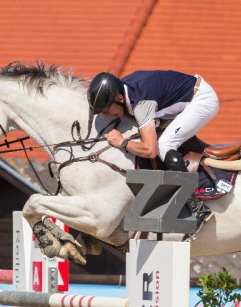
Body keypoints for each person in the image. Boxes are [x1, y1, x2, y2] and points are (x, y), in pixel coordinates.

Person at [87, 70, 219, 232]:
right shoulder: (122, 90)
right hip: (184, 95)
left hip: (202, 100)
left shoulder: (141, 104)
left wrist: (122, 142)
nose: (106, 116)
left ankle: (197, 208)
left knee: (165, 144)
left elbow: (150, 151)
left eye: (106, 110)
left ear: (120, 98)